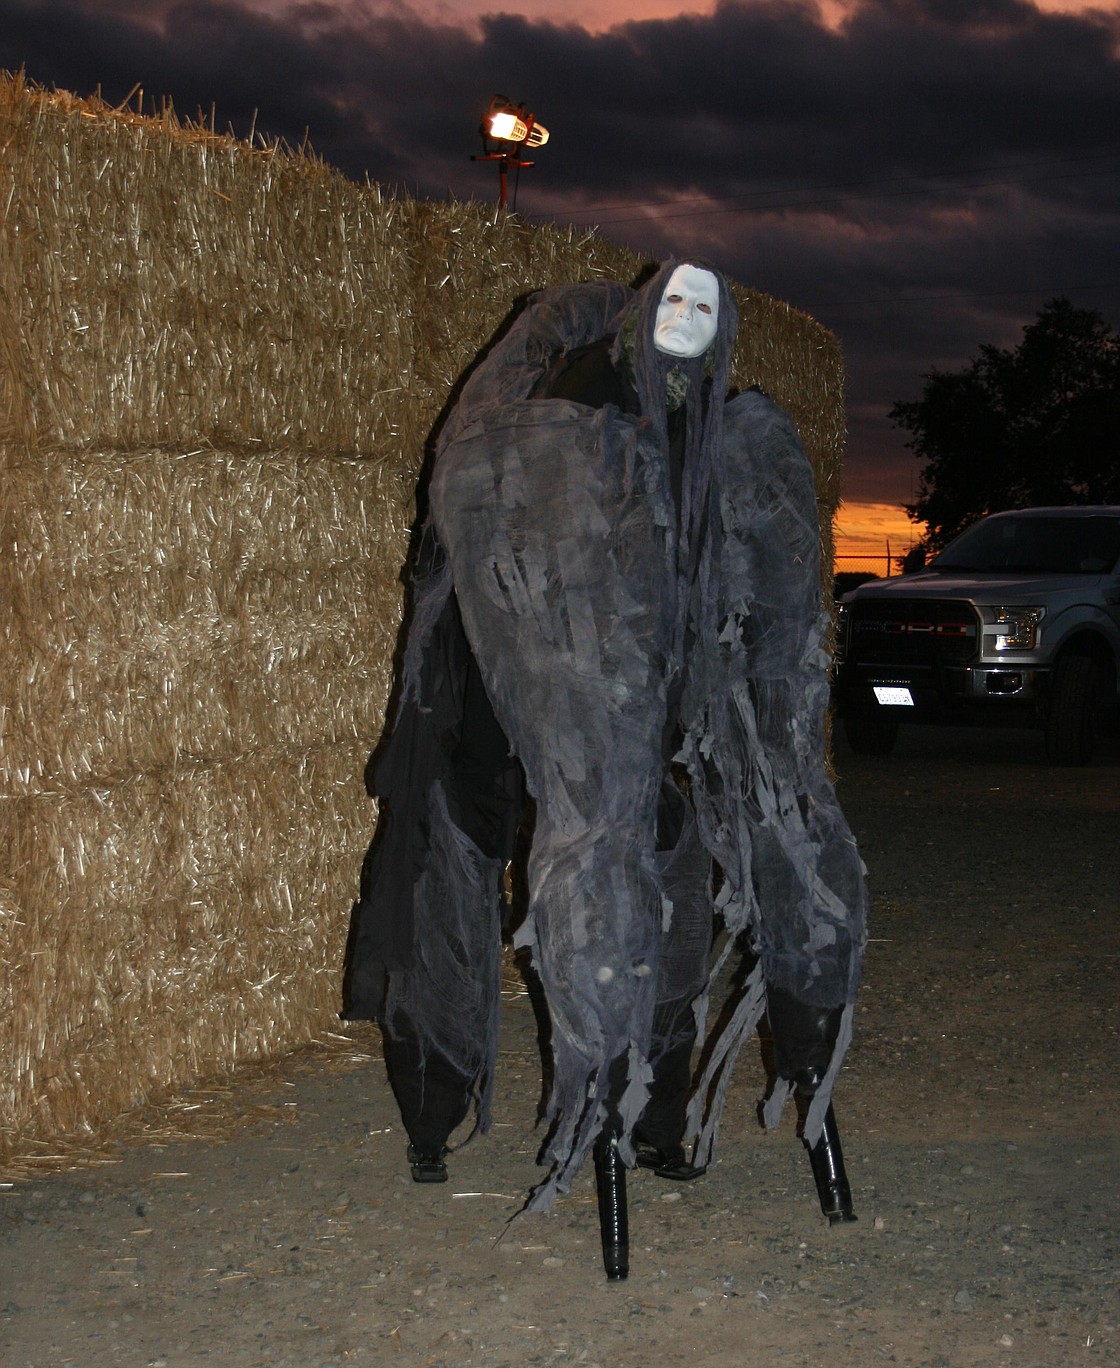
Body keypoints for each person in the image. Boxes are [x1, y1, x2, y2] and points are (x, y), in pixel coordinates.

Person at [346, 261, 867, 1278]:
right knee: (501, 860)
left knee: (671, 868)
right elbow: (487, 520)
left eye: (706, 310)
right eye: (670, 301)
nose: (685, 321)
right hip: (522, 683)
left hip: (659, 704)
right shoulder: (554, 414)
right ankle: (445, 1102)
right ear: (635, 318)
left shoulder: (732, 433)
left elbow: (764, 602)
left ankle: (652, 1111)